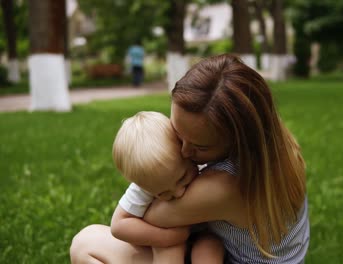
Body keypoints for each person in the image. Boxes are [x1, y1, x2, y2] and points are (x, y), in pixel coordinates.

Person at [70, 54, 310, 263]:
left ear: (237, 141)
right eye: (176, 133)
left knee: (86, 243)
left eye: (199, 146)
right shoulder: (279, 147)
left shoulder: (226, 186)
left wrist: (155, 170)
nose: (183, 152)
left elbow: (152, 216)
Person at [70, 111, 224, 264]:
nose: (178, 192)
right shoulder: (146, 186)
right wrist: (165, 237)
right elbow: (119, 225)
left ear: (185, 153)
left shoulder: (203, 164)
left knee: (210, 245)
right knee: (169, 248)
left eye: (182, 178)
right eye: (163, 193)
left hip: (203, 236)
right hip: (167, 240)